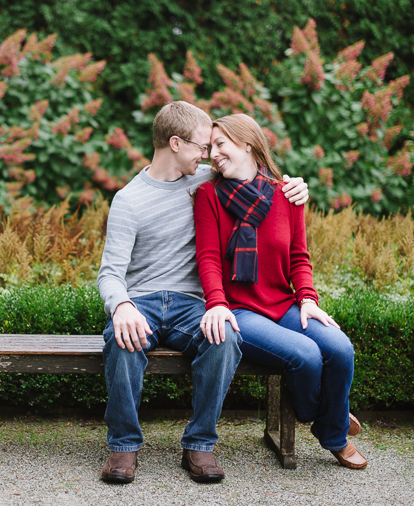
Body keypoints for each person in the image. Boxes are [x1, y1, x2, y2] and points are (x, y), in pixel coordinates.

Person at [97, 101, 310, 484]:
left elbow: (258, 181)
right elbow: (110, 273)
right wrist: (122, 305)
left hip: (191, 306)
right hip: (141, 301)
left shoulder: (207, 184)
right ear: (175, 143)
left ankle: (200, 444)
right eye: (202, 146)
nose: (210, 156)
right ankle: (123, 447)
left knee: (225, 336)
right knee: (122, 338)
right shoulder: (128, 201)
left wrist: (295, 186)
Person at [193, 113, 366, 470]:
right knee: (306, 354)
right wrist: (216, 303)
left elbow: (299, 257)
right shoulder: (209, 195)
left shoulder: (285, 195)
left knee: (340, 348)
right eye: (210, 147)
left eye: (220, 144)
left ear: (248, 144)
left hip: (284, 304)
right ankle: (333, 429)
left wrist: (308, 299)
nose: (213, 154)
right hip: (238, 310)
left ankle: (330, 418)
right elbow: (208, 258)